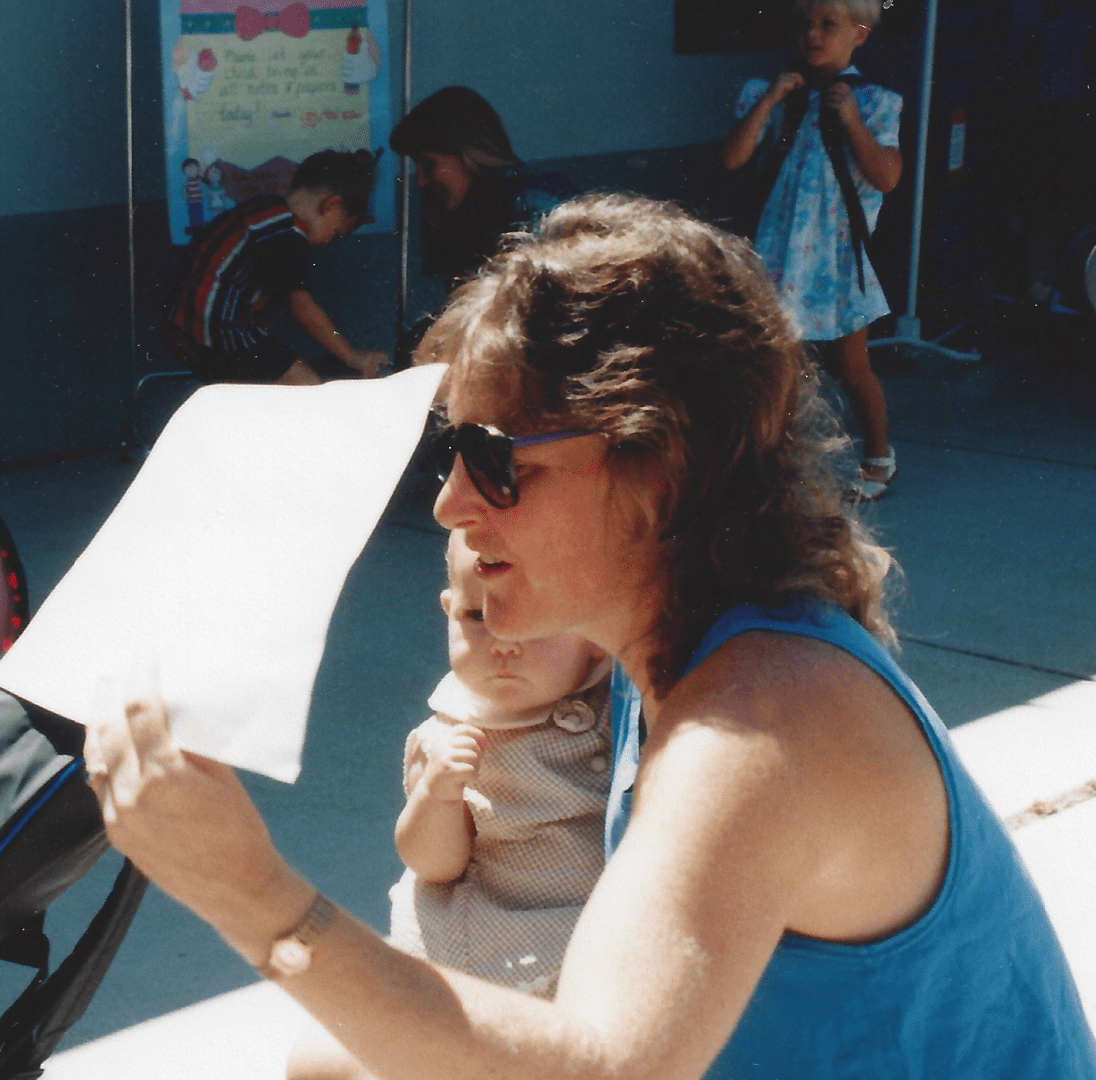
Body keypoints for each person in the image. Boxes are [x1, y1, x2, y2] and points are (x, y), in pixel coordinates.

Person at [85, 193, 1096, 1079]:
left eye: (489, 456)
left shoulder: (756, 729)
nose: (446, 505)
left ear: (655, 462)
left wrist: (256, 900)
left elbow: (606, 1072)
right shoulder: (668, 650)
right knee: (333, 1060)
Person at [288, 532, 612, 1079]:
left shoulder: (621, 712)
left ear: (597, 632)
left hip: (569, 957)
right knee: (315, 1061)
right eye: (476, 616)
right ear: (447, 612)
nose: (503, 640)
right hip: (461, 942)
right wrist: (439, 795)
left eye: (535, 621)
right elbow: (434, 865)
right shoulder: (447, 737)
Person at [720, 0, 903, 501]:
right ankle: (772, 465)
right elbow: (733, 157)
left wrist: (852, 122)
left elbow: (886, 176)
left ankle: (879, 456)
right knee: (773, 365)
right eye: (804, 25)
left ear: (859, 34)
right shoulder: (772, 93)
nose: (813, 36)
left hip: (836, 257)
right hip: (778, 253)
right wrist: (772, 99)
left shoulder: (874, 102)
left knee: (851, 364)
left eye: (828, 25)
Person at [162, 149, 386, 386]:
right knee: (305, 384)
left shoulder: (267, 210)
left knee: (283, 369)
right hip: (213, 329)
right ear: (331, 205)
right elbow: (302, 309)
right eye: (336, 233)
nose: (328, 244)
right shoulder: (290, 233)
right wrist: (350, 355)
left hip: (184, 325)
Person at [389, 86, 525, 299]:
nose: (421, 181)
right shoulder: (467, 217)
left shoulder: (536, 206)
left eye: (428, 163)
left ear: (469, 153)